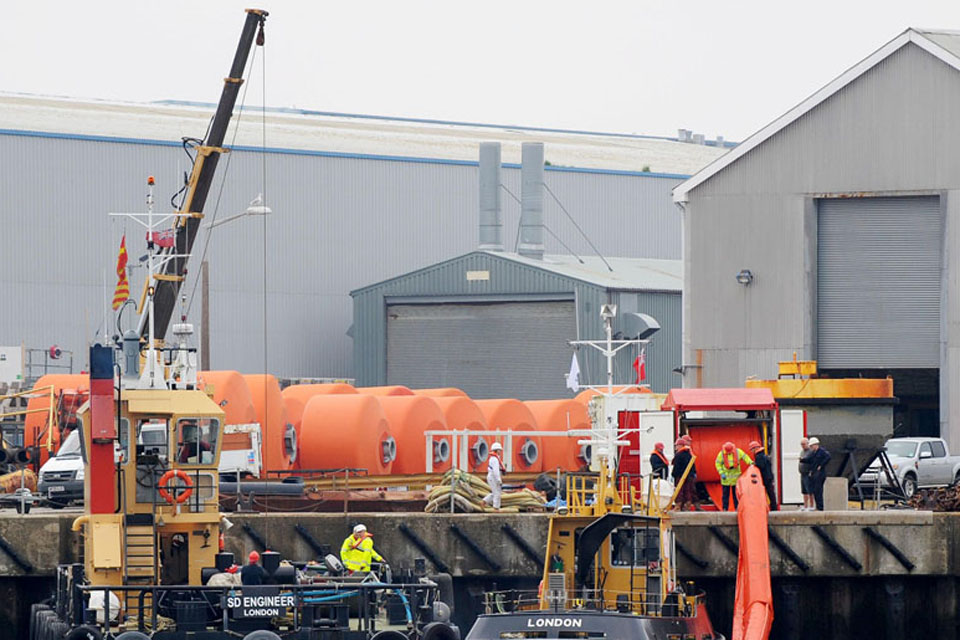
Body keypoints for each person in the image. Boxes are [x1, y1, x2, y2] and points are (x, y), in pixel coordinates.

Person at [715, 441, 753, 511]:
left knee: (736, 495)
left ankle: (737, 508)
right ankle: (725, 508)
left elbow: (745, 457)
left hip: (735, 479)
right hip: (726, 479)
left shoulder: (738, 452)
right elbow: (718, 464)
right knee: (725, 495)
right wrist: (721, 473)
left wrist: (750, 463)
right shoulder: (722, 454)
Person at [748, 441, 778, 511]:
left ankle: (772, 507)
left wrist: (754, 464)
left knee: (769, 493)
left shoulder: (759, 456)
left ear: (755, 448)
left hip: (765, 477)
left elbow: (760, 465)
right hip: (769, 476)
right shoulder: (764, 455)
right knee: (771, 493)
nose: (752, 451)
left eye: (752, 449)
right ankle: (774, 507)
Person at [671, 436, 698, 511]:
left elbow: (676, 467)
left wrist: (673, 474)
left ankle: (678, 506)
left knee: (679, 491)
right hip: (688, 476)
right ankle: (687, 506)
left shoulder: (679, 455)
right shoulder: (688, 454)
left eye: (677, 445)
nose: (676, 447)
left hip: (680, 476)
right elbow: (692, 466)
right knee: (687, 491)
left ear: (681, 446)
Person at [807, 437, 831, 511]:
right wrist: (802, 460)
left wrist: (821, 465)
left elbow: (828, 457)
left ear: (815, 445)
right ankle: (817, 506)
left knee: (818, 490)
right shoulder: (814, 453)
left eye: (811, 446)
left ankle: (820, 507)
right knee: (815, 491)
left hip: (820, 474)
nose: (811, 448)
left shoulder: (821, 451)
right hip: (815, 474)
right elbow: (810, 461)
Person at [483, 442, 504, 510]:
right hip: (493, 478)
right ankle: (496, 508)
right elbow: (495, 471)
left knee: (495, 492)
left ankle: (484, 501)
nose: (500, 451)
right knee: (497, 494)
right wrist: (498, 480)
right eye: (499, 450)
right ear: (496, 450)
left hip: (492, 477)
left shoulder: (494, 458)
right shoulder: (495, 459)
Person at [799, 437, 814, 511]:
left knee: (810, 490)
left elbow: (810, 461)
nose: (803, 446)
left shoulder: (810, 452)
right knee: (804, 491)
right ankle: (805, 505)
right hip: (802, 473)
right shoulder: (802, 451)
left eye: (804, 444)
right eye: (801, 444)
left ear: (808, 444)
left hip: (808, 473)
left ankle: (811, 505)